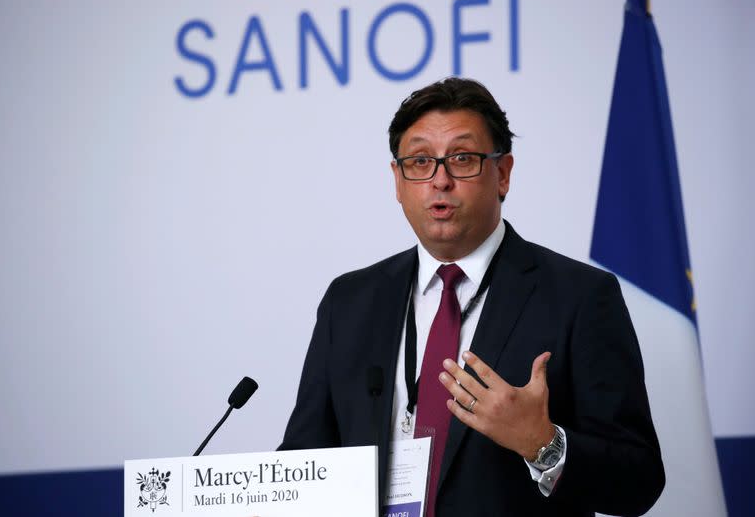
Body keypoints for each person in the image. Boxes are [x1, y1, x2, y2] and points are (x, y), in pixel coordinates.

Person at [279, 77, 665, 517]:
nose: (440, 180)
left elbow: (640, 480)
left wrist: (542, 443)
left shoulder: (580, 296)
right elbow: (304, 461)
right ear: (398, 181)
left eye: (462, 159)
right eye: (420, 161)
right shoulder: (349, 302)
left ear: (502, 174)